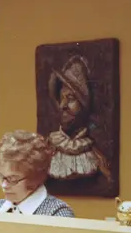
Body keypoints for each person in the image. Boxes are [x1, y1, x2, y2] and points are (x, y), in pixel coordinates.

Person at [47, 55, 112, 183]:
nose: (62, 106)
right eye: (61, 98)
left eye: (70, 99)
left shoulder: (97, 157)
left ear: (84, 106)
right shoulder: (46, 150)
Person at [0, 130, 74, 217]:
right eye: (1, 176)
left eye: (12, 179)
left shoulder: (57, 214)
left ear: (34, 178)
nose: (4, 185)